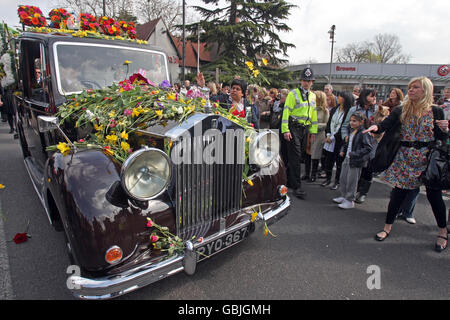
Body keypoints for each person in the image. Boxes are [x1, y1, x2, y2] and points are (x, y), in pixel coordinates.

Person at [365, 77, 448, 252]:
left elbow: (442, 139)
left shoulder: (436, 111)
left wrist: (445, 130)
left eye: (415, 87)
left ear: (425, 91)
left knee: (434, 197)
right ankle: (387, 227)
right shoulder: (402, 110)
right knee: (398, 194)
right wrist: (376, 128)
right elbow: (385, 125)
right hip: (405, 157)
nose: (411, 90)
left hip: (427, 158)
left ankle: (442, 232)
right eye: (410, 87)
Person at [281, 67, 318, 198]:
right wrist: (285, 130)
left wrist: (313, 132)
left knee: (298, 156)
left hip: (305, 129)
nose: (306, 83)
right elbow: (286, 112)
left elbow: (313, 115)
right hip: (294, 127)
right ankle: (297, 187)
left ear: (312, 82)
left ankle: (290, 181)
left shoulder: (313, 96)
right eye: (304, 80)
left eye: (309, 80)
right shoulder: (293, 94)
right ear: (301, 81)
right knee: (295, 158)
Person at [341, 88, 378, 202]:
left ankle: (362, 192)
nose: (374, 98)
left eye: (375, 96)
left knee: (367, 170)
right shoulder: (354, 109)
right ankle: (347, 195)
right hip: (354, 144)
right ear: (364, 96)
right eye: (371, 96)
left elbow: (381, 126)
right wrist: (345, 137)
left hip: (370, 143)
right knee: (350, 173)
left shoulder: (377, 110)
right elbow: (345, 125)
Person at [333, 112, 373, 209]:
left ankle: (350, 200)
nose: (351, 123)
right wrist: (343, 150)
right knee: (343, 178)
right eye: (351, 120)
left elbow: (368, 148)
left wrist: (354, 154)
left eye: (354, 121)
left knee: (352, 181)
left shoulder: (364, 133)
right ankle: (343, 196)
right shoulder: (352, 131)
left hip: (355, 161)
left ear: (361, 122)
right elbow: (347, 143)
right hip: (347, 158)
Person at [321, 91, 353, 190]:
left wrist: (333, 137)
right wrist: (328, 134)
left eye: (340, 96)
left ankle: (337, 181)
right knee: (328, 160)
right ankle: (328, 178)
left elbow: (344, 126)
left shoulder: (348, 111)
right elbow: (329, 122)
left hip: (339, 140)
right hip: (330, 137)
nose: (338, 98)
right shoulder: (335, 109)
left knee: (339, 161)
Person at [303, 90, 329, 182]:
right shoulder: (310, 107)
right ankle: (306, 174)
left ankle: (313, 175)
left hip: (318, 135)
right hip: (309, 134)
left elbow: (326, 124)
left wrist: (314, 125)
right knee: (307, 155)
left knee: (315, 156)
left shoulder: (325, 111)